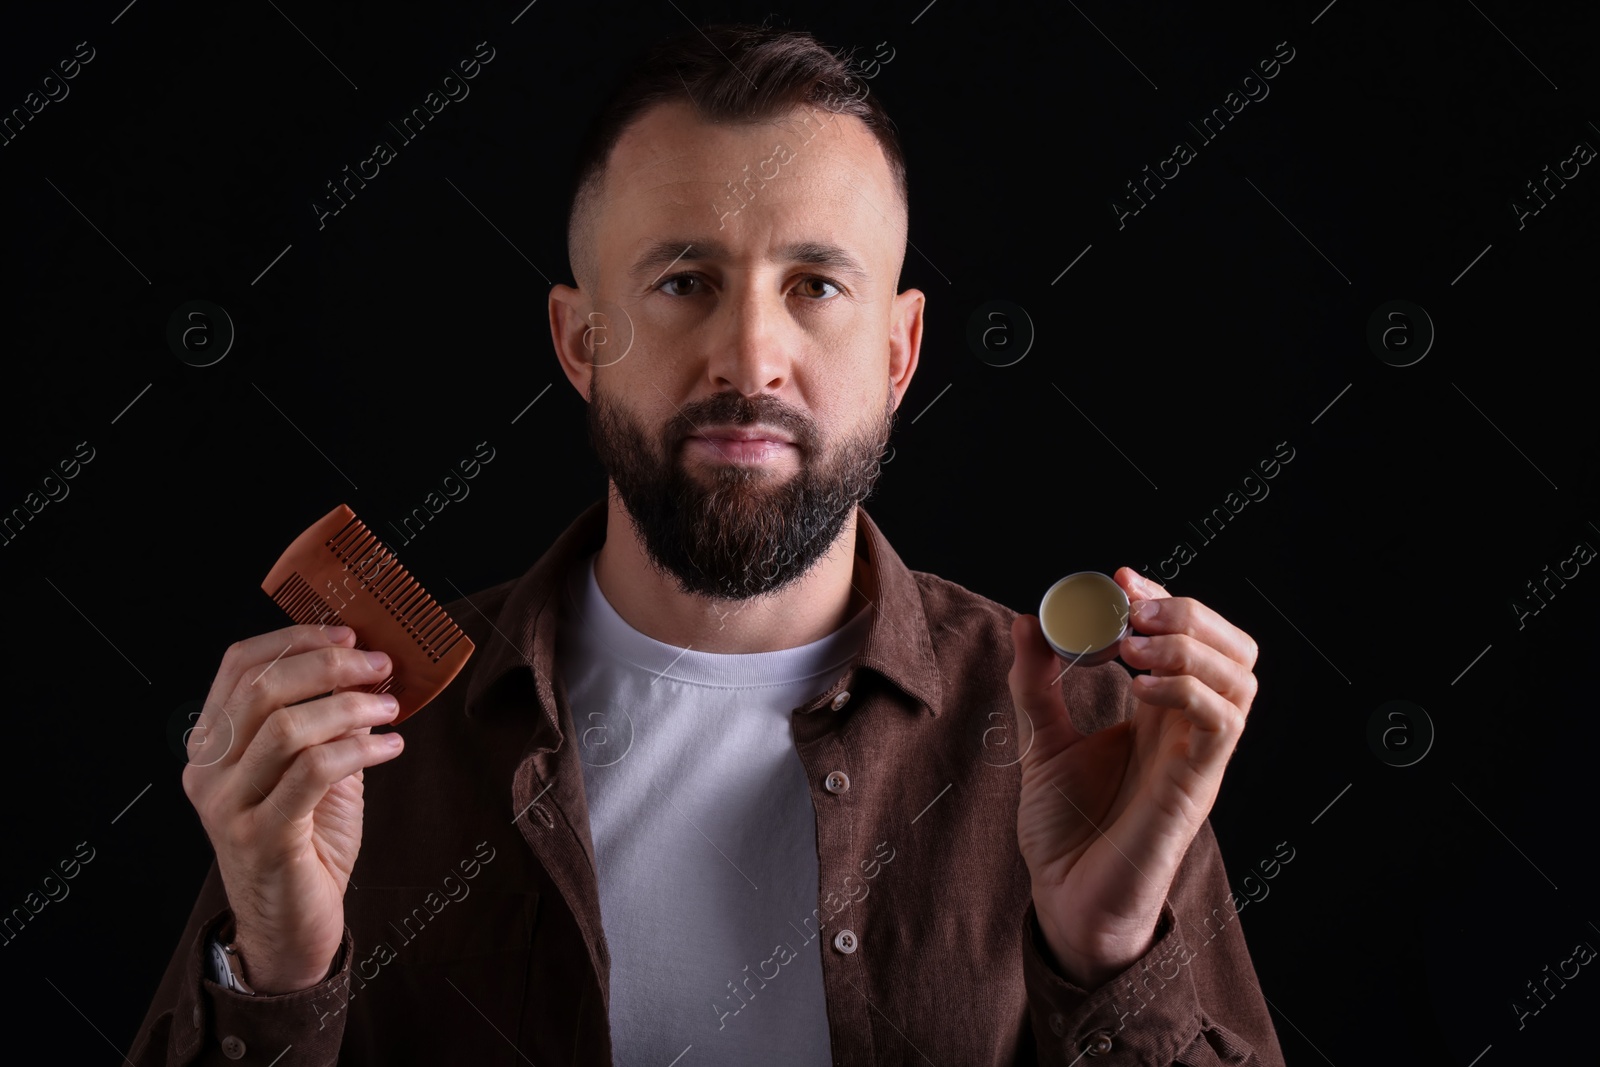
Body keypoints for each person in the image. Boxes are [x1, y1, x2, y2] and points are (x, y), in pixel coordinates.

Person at [129, 22, 1285, 1066]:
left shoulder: (1076, 738)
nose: (748, 355)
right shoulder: (371, 747)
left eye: (815, 284)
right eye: (684, 280)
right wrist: (274, 964)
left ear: (898, 352)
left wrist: (1112, 953)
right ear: (581, 341)